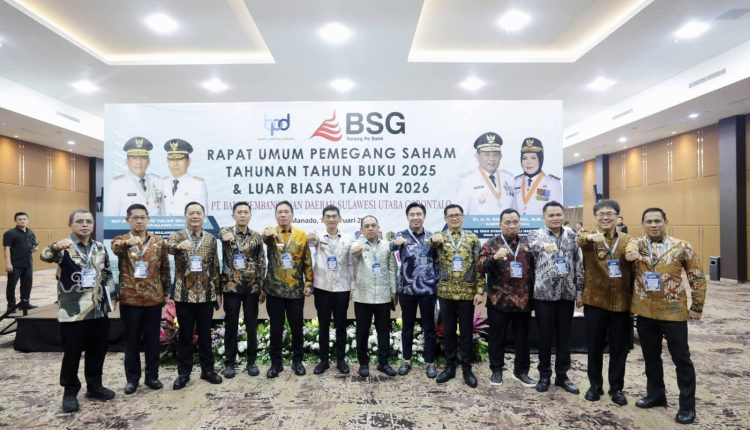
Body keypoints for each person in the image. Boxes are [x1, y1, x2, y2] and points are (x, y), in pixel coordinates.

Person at [625, 207, 707, 425]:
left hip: (673, 311)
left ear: (665, 222)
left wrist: (697, 306)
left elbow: (697, 277)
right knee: (651, 357)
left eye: (657, 221)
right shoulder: (637, 244)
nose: (654, 225)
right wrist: (632, 251)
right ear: (643, 224)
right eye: (649, 221)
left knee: (681, 359)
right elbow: (628, 245)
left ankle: (687, 406)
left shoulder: (681, 246)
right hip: (645, 311)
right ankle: (656, 395)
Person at [40, 209, 116, 413]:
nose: (85, 225)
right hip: (73, 312)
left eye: (88, 221)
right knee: (72, 353)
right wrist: (55, 246)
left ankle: (95, 386)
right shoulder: (64, 247)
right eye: (80, 221)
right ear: (70, 224)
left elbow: (107, 273)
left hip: (98, 310)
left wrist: (112, 296)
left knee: (97, 351)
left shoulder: (99, 247)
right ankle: (70, 391)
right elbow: (45, 256)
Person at [111, 204, 170, 394]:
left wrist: (165, 293)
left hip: (153, 299)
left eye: (143, 217)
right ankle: (132, 379)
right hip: (130, 300)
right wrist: (129, 243)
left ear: (148, 219)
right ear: (128, 220)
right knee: (132, 341)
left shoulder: (158, 242)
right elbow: (116, 249)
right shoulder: (121, 240)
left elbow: (165, 268)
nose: (139, 221)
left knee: (153, 341)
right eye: (135, 217)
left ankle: (152, 376)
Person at [577, 200, 632, 405]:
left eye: (610, 213)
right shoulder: (588, 237)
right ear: (595, 217)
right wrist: (591, 237)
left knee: (619, 348)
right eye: (601, 214)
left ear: (618, 217)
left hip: (621, 302)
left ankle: (616, 388)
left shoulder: (627, 239)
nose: (605, 217)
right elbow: (579, 239)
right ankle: (595, 385)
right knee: (594, 346)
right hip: (595, 301)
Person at [527, 201, 583, 394]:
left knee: (564, 337)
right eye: (551, 215)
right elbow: (533, 249)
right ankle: (544, 375)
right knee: (544, 337)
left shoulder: (572, 236)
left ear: (563, 215)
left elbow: (578, 264)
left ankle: (562, 376)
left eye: (558, 214)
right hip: (544, 295)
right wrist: (545, 246)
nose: (555, 218)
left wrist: (579, 291)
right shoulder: (535, 235)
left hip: (566, 294)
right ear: (544, 218)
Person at [477, 208, 536, 388]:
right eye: (507, 223)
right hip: (498, 300)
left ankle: (521, 371)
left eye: (515, 222)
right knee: (497, 338)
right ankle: (496, 370)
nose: (512, 226)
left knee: (523, 339)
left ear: (520, 223)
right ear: (500, 224)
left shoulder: (528, 243)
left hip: (523, 300)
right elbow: (480, 266)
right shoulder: (492, 243)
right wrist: (494, 257)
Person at [167, 202, 222, 389]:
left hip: (206, 294)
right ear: (185, 217)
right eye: (191, 213)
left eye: (198, 213)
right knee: (185, 335)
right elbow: (168, 248)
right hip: (184, 295)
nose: (195, 216)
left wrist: (218, 292)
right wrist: (178, 247)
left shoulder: (211, 239)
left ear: (204, 216)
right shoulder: (177, 236)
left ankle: (208, 370)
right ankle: (184, 374)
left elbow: (215, 266)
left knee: (205, 334)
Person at [430, 204, 483, 388]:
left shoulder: (472, 238)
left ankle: (467, 368)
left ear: (462, 217)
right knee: (449, 331)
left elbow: (478, 266)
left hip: (467, 292)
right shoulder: (439, 237)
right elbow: (429, 248)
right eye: (450, 215)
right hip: (446, 292)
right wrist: (433, 240)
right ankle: (450, 366)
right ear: (445, 219)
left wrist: (479, 290)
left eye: (457, 215)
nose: (454, 218)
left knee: (466, 332)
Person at [262, 200, 313, 378]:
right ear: (276, 215)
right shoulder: (271, 233)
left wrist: (309, 282)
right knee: (275, 328)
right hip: (274, 290)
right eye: (280, 212)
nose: (283, 215)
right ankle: (276, 364)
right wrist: (267, 232)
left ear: (292, 215)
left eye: (286, 212)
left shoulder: (301, 235)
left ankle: (297, 361)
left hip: (295, 290)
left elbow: (307, 260)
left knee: (296, 327)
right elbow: (265, 236)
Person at [390, 202, 439, 378]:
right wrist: (396, 243)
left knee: (429, 327)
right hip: (407, 290)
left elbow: (438, 261)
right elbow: (391, 246)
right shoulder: (401, 235)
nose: (415, 217)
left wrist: (437, 283)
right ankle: (406, 360)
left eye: (419, 214)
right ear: (407, 217)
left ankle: (430, 362)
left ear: (424, 216)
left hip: (428, 289)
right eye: (412, 214)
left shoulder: (432, 237)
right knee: (407, 327)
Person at [219, 202, 266, 378]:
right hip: (231, 287)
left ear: (250, 216)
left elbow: (262, 262)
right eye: (239, 212)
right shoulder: (227, 232)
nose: (243, 215)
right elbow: (221, 233)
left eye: (246, 212)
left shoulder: (257, 237)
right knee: (231, 325)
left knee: (251, 325)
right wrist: (225, 235)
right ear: (233, 215)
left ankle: (251, 362)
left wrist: (261, 286)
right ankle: (230, 363)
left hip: (251, 287)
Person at [308, 205, 354, 375]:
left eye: (334, 216)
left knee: (341, 326)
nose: (331, 219)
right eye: (327, 216)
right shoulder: (318, 237)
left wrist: (352, 285)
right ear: (323, 219)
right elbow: (310, 242)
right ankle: (324, 360)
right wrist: (311, 238)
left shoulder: (348, 238)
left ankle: (341, 360)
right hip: (322, 288)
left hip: (342, 288)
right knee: (323, 325)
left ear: (339, 218)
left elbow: (351, 263)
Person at [350, 215, 398, 377]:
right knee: (362, 331)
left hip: (383, 296)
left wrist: (393, 291)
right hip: (363, 296)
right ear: (361, 230)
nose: (370, 228)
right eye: (367, 226)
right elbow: (353, 252)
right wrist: (356, 250)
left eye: (373, 225)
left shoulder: (387, 246)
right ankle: (363, 363)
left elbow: (392, 269)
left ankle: (383, 363)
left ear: (378, 228)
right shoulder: (357, 244)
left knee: (383, 331)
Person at [456, 132, 515, 215]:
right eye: (487, 155)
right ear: (477, 156)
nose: (492, 159)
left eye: (495, 155)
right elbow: (459, 214)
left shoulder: (509, 179)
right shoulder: (467, 181)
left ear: (501, 156)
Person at [104, 137, 164, 216]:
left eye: (143, 158)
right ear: (127, 161)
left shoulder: (158, 182)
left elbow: (164, 215)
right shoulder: (117, 184)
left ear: (148, 161)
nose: (138, 162)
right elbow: (111, 217)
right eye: (134, 158)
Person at [513, 138, 563, 215]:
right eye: (524, 158)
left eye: (533, 158)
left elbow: (556, 213)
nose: (529, 162)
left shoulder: (553, 183)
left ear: (540, 159)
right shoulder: (515, 182)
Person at [162, 139, 207, 216]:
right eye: (172, 159)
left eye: (180, 159)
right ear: (167, 161)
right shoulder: (162, 183)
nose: (175, 164)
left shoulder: (197, 184)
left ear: (188, 161)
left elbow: (202, 217)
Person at [4, 211, 39, 311]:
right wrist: (8, 263)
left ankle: (25, 303)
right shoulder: (10, 233)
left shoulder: (31, 232)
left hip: (28, 263)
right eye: (20, 219)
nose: (22, 221)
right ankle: (11, 306)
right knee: (11, 286)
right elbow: (6, 248)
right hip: (15, 264)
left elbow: (33, 246)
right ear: (15, 221)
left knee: (27, 284)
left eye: (24, 219)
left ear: (27, 220)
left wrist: (34, 249)